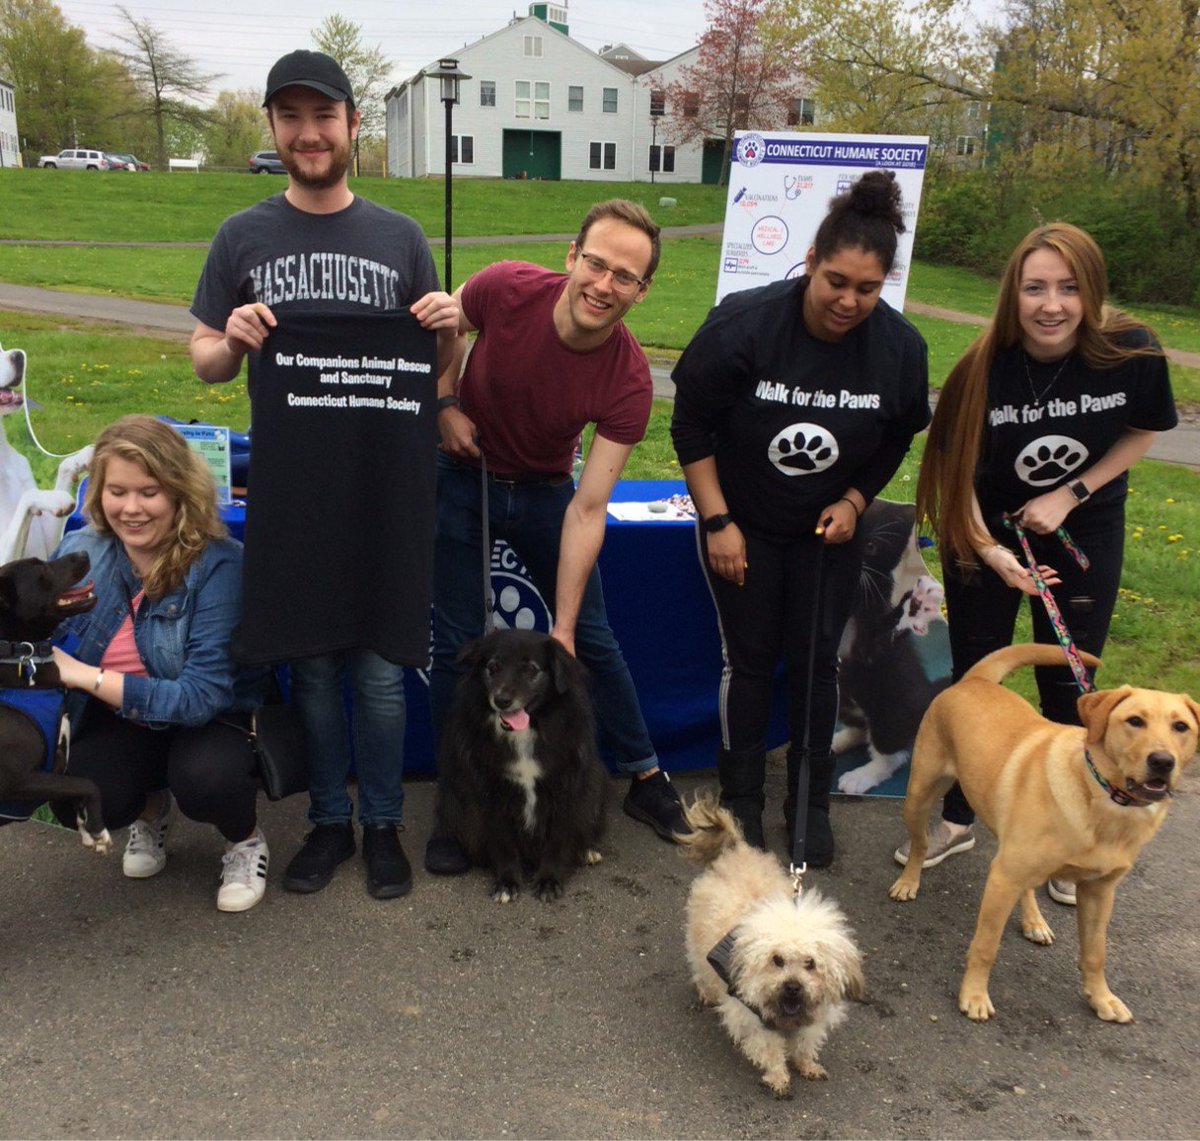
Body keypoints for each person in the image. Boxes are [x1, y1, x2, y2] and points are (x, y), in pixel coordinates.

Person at [189, 50, 460, 900]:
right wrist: (229, 338)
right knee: (310, 666)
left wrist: (452, 330)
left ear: (352, 125)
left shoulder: (399, 236)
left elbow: (439, 378)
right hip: (293, 492)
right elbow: (205, 363)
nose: (309, 133)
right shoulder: (242, 234)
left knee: (381, 670)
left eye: (325, 116)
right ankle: (327, 825)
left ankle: (382, 823)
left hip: (383, 492)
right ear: (273, 128)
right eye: (292, 117)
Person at [896, 221, 1177, 903]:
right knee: (976, 682)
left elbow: (1145, 427)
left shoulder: (1132, 350)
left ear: (1092, 292)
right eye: (1034, 288)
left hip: (1084, 524)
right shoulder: (982, 367)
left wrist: (1072, 492)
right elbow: (952, 473)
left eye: (1068, 288)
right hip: (986, 531)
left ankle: (1075, 833)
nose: (1051, 304)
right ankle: (962, 816)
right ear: (1011, 295)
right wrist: (990, 551)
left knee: (1072, 684)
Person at [670, 171, 930, 862]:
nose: (849, 301)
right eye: (836, 281)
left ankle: (809, 803)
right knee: (750, 662)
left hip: (827, 535)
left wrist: (852, 502)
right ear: (810, 262)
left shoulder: (899, 349)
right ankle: (743, 803)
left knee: (818, 663)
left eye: (867, 289)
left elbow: (900, 433)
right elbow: (690, 426)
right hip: (742, 524)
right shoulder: (743, 325)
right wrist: (719, 521)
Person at [424, 198, 688, 875]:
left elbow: (589, 506)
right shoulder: (505, 286)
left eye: (624, 276)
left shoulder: (629, 376)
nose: (604, 284)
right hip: (465, 471)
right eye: (596, 263)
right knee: (458, 639)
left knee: (592, 638)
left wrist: (562, 625)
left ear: (642, 290)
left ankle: (647, 777)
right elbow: (445, 330)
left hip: (547, 491)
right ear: (572, 256)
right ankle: (458, 800)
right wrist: (446, 401)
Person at [49, 416, 267, 912]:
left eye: (149, 492)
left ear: (178, 491)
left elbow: (199, 697)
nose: (130, 508)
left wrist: (85, 675)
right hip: (123, 718)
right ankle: (151, 811)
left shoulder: (220, 564)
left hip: (210, 717)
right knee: (73, 792)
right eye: (117, 491)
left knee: (207, 780)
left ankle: (245, 840)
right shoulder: (81, 551)